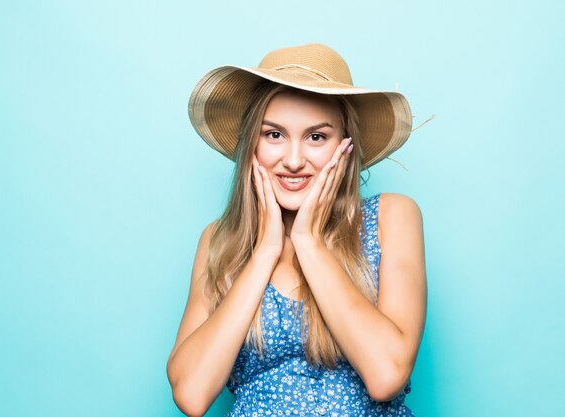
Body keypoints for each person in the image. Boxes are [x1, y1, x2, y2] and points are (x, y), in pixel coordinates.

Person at [166, 43, 427, 417]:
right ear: (252, 144)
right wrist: (263, 254)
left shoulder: (391, 217)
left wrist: (308, 241)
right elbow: (191, 395)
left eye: (316, 137)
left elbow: (386, 374)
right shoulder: (219, 241)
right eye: (273, 135)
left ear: (346, 146)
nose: (292, 160)